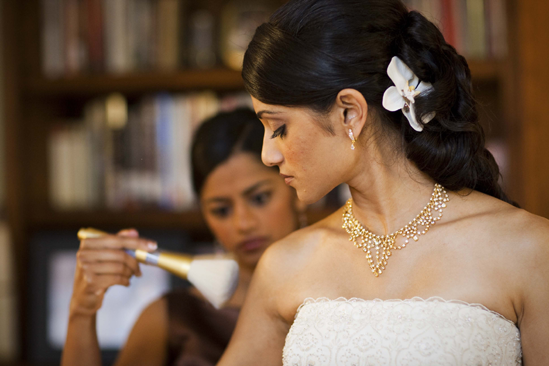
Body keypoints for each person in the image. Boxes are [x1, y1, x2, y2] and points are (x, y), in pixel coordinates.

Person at [217, 0, 549, 365]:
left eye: (279, 128)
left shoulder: (529, 250)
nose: (268, 155)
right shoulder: (284, 265)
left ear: (350, 112)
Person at [61, 108, 306, 366]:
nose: (242, 223)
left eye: (259, 198)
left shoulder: (336, 297)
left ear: (295, 188)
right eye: (221, 210)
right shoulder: (171, 318)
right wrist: (81, 313)